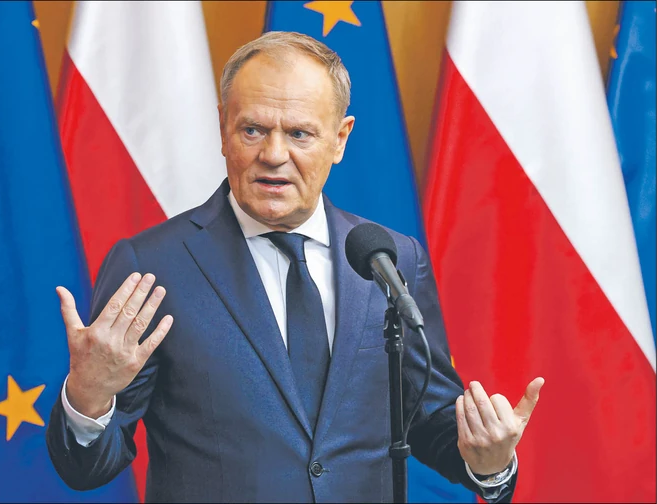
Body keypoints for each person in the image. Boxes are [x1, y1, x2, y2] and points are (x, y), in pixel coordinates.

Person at [46, 31, 544, 503]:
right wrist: (88, 398)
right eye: (253, 130)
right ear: (223, 128)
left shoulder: (392, 259)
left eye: (300, 133)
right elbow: (88, 469)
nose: (273, 155)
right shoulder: (153, 265)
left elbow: (431, 416)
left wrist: (490, 461)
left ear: (340, 139)